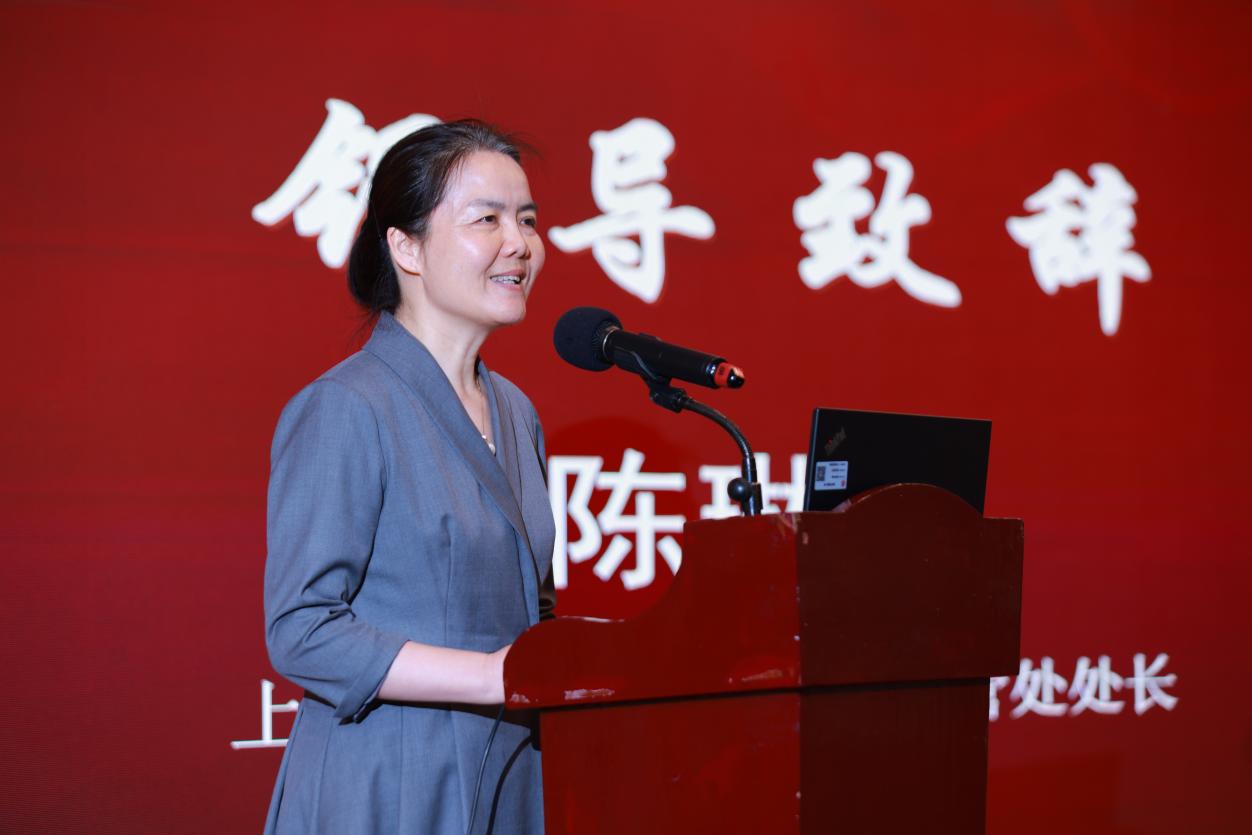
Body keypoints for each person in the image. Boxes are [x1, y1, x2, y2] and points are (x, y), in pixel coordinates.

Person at [262, 120, 556, 835]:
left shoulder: (516, 411)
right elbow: (302, 628)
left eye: (526, 220)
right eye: (486, 219)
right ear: (406, 247)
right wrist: (488, 675)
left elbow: (532, 608)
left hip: (511, 770)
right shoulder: (346, 405)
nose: (519, 243)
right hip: (389, 781)